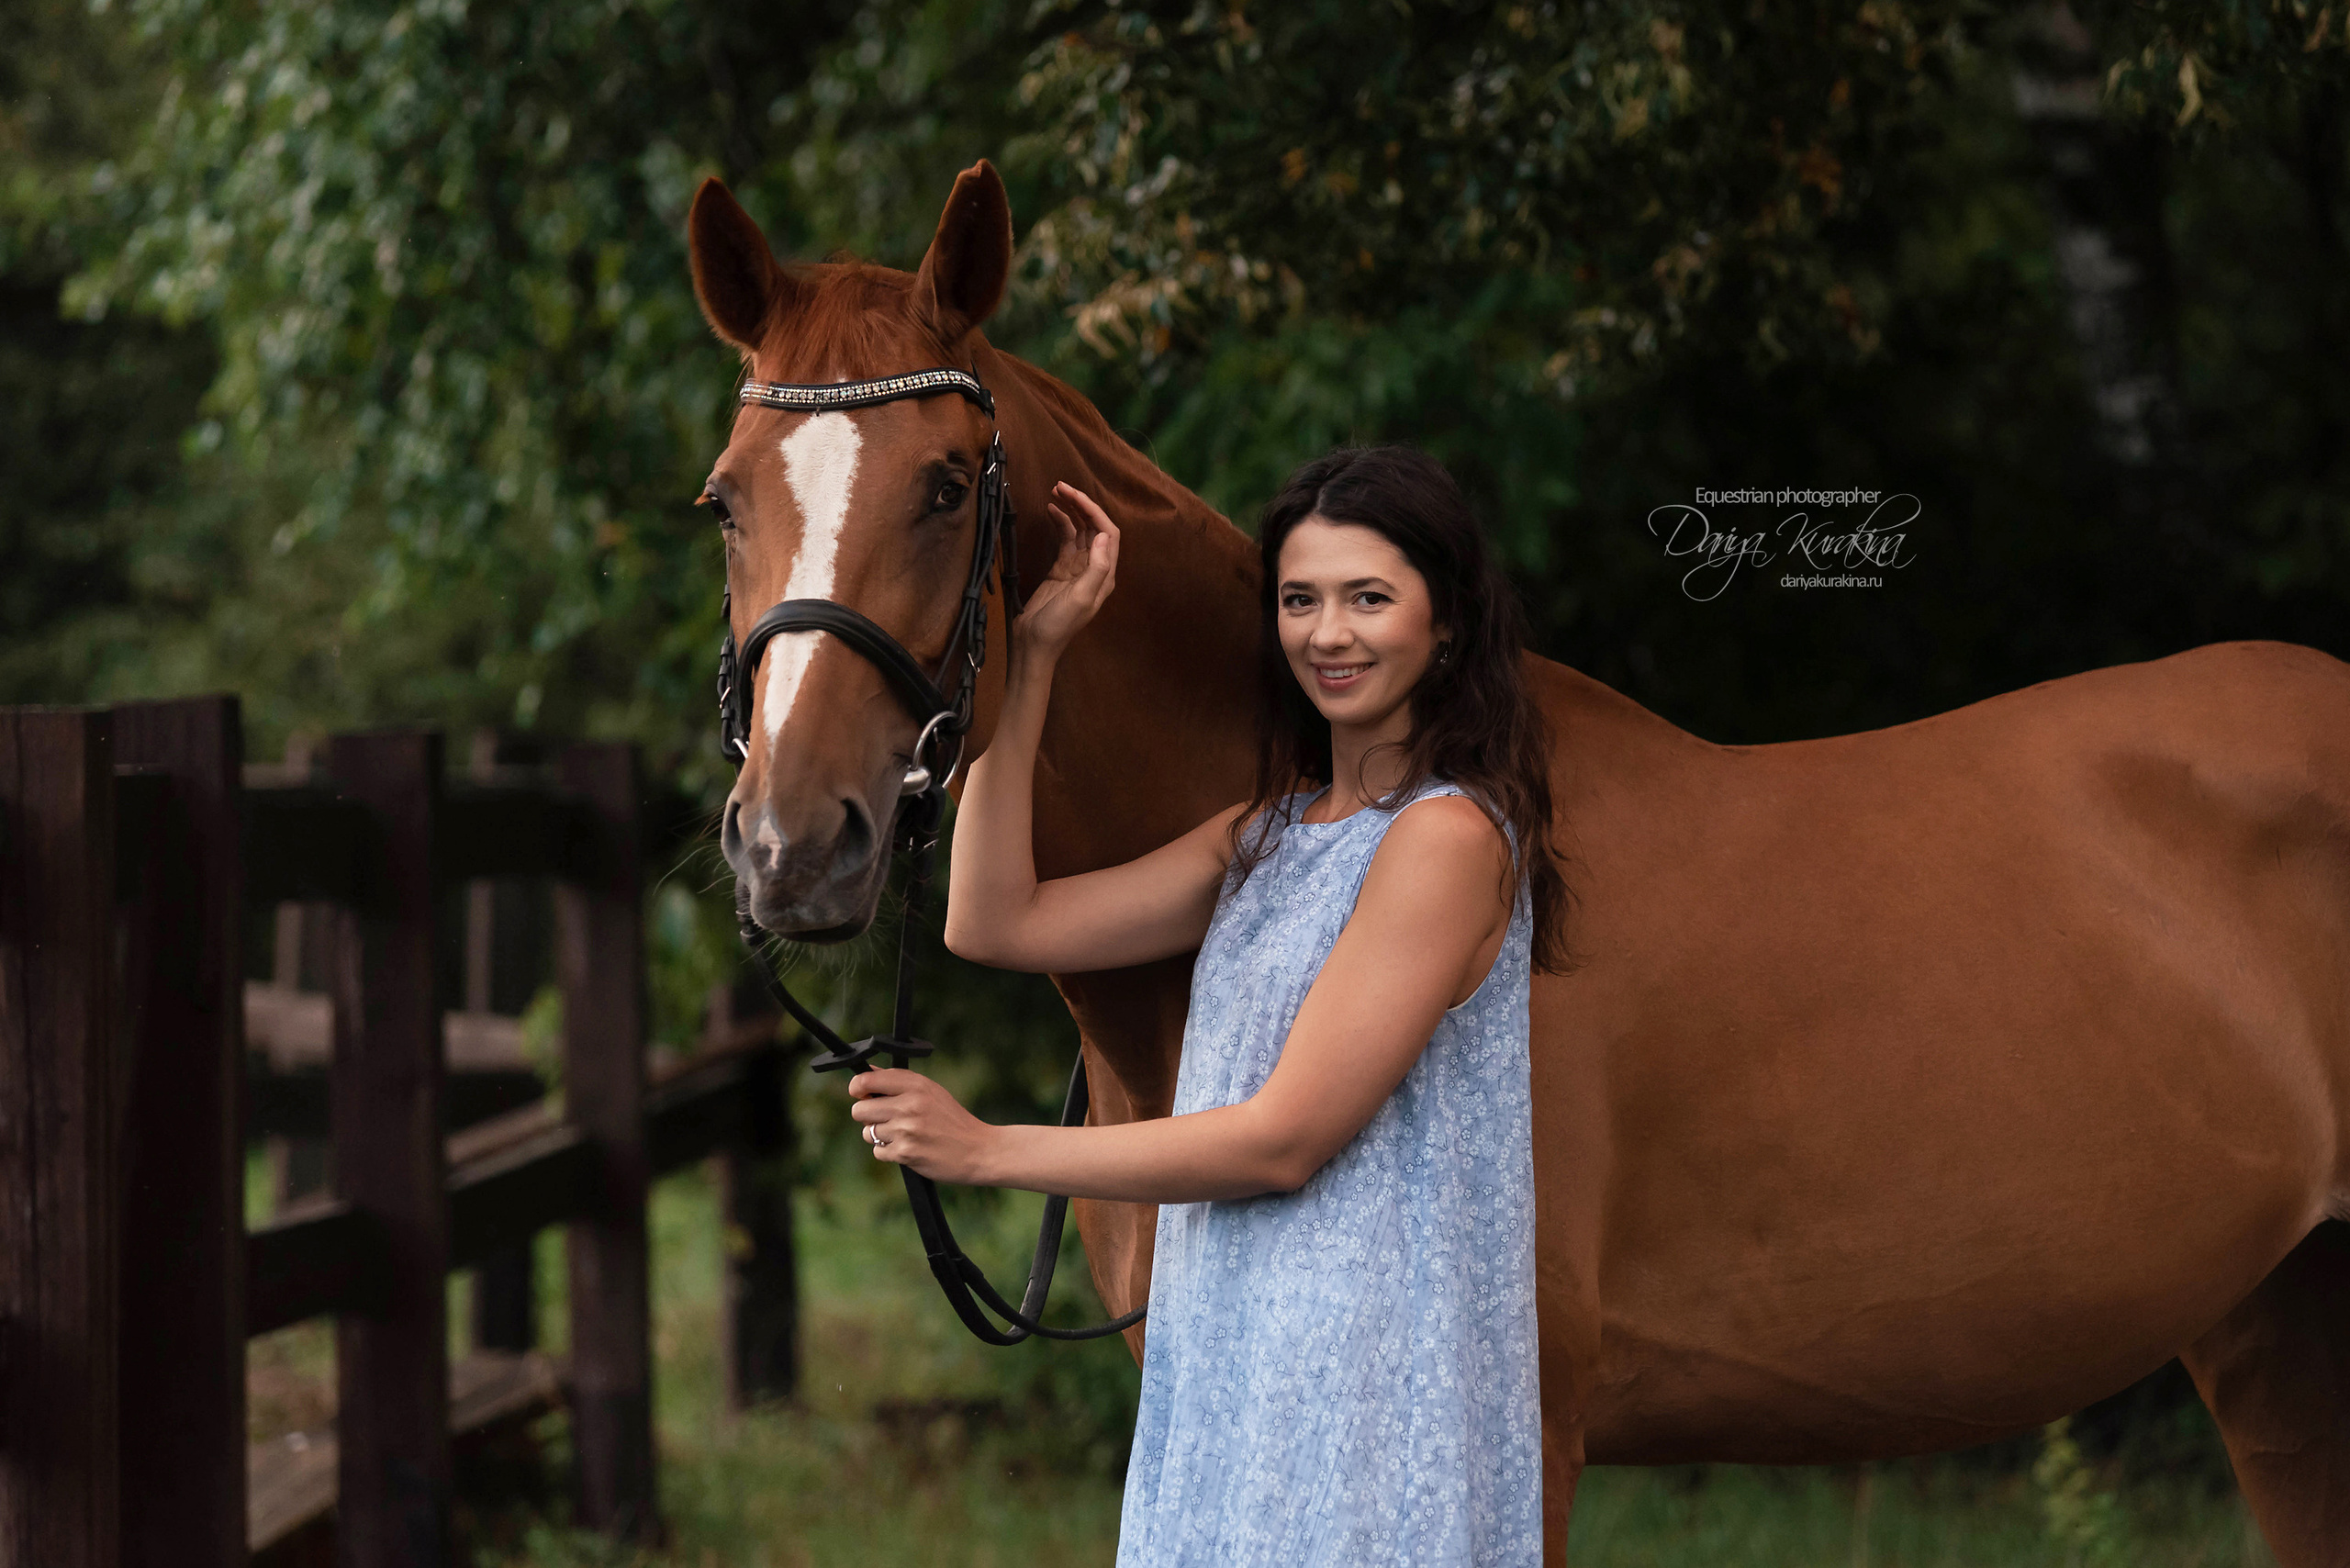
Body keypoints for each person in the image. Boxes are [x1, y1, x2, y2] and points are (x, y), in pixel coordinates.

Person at [846, 445, 1572, 1566]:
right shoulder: (1265, 836)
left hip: (1364, 1391)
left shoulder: (1447, 839)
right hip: (1233, 1359)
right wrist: (1033, 658)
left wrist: (990, 1149)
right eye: (1300, 599)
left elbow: (1284, 1139)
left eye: (1368, 597)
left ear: (1450, 621)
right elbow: (991, 921)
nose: (1328, 633)